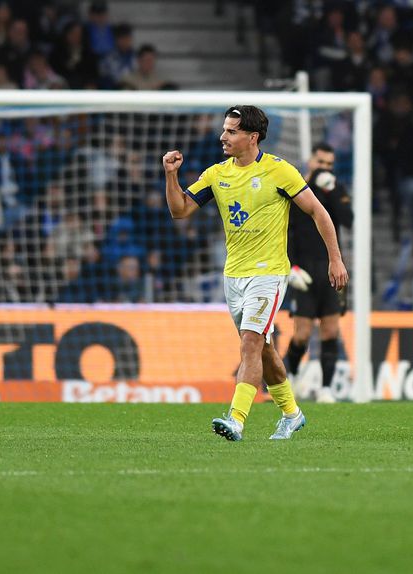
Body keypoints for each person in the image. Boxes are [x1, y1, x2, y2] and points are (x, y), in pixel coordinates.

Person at [163, 106, 348, 441]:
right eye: (225, 130)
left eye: (232, 131)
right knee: (263, 348)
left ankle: (236, 418)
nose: (223, 137)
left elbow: (318, 213)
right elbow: (180, 211)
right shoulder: (216, 175)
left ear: (252, 136)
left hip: (269, 273)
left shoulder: (280, 171)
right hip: (233, 275)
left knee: (250, 342)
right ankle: (292, 414)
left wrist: (335, 259)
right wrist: (171, 175)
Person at [284, 143, 353, 403]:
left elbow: (348, 219)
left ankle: (325, 389)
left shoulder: (335, 188)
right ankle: (289, 378)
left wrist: (332, 190)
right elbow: (285, 230)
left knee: (330, 331)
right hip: (304, 271)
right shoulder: (296, 189)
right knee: (301, 334)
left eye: (330, 164)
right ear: (310, 160)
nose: (326, 168)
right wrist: (290, 266)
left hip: (332, 268)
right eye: (321, 163)